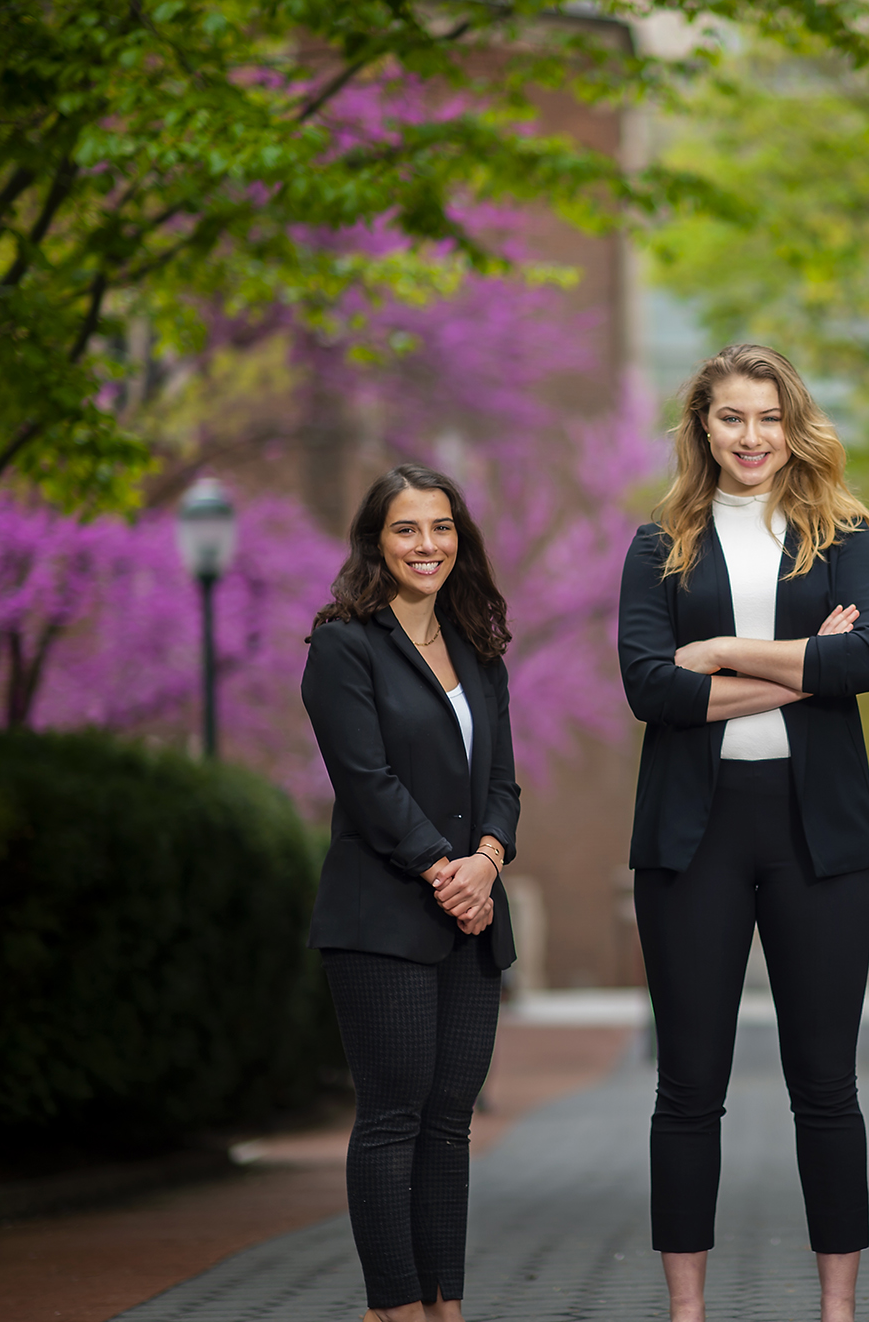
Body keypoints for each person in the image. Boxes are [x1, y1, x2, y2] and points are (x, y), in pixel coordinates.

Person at [618, 343, 869, 1322]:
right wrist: (796, 666)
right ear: (702, 427)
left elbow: (864, 660)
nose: (750, 436)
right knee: (688, 1083)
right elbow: (650, 685)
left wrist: (726, 653)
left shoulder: (840, 530)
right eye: (730, 417)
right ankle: (686, 1310)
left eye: (767, 417)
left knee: (825, 1081)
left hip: (818, 833)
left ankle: (836, 1308)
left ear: (792, 424)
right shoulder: (658, 545)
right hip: (692, 837)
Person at [302, 464, 521, 1322]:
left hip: (472, 917)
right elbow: (367, 780)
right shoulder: (342, 645)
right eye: (406, 529)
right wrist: (445, 868)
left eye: (440, 527)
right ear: (376, 541)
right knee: (392, 1118)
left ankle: (445, 1308)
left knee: (450, 1123)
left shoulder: (478, 647)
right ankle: (391, 1310)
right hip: (382, 917)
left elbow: (502, 780)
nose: (426, 545)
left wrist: (488, 862)